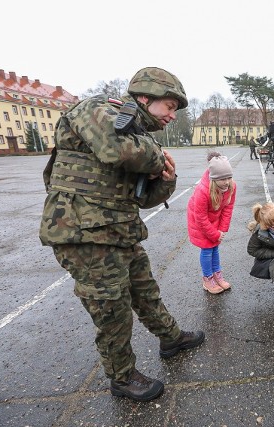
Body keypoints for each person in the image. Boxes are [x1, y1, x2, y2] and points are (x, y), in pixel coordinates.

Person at [39, 67, 205, 402]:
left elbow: (145, 198)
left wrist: (167, 177)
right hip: (82, 233)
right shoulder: (99, 109)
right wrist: (158, 159)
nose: (173, 115)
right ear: (145, 97)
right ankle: (122, 377)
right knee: (111, 308)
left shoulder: (140, 135)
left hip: (119, 231)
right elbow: (116, 151)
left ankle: (170, 338)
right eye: (170, 106)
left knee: (145, 290)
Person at [187, 151, 237, 294]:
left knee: (215, 247)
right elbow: (200, 218)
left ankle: (217, 275)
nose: (226, 182)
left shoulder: (232, 187)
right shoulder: (202, 191)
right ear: (214, 179)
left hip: (214, 220)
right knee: (207, 249)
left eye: (229, 177)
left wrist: (221, 230)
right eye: (222, 179)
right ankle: (207, 279)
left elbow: (228, 208)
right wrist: (213, 233)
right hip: (200, 221)